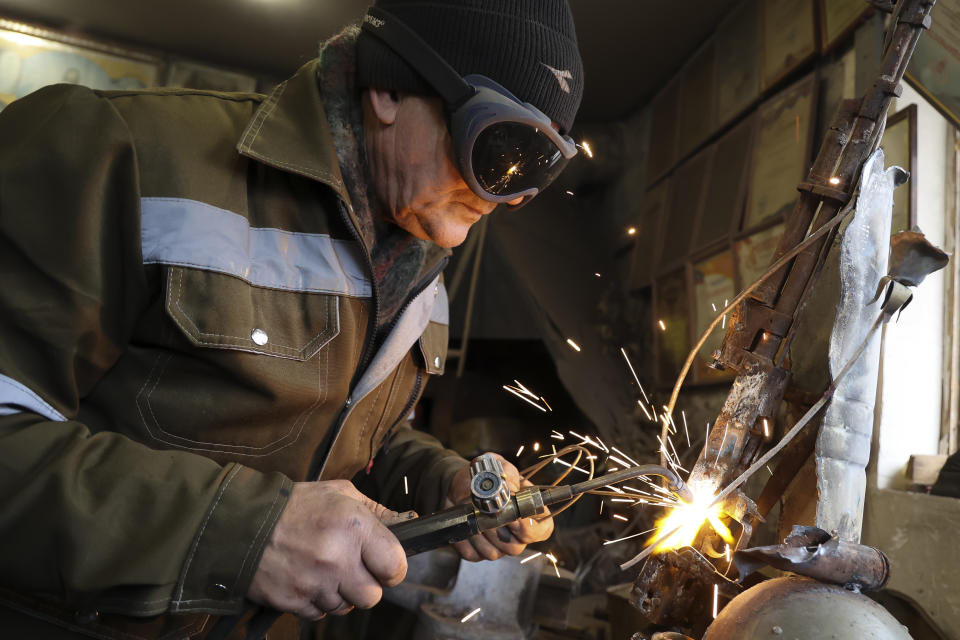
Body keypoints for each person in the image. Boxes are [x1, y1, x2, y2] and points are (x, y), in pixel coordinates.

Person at [0, 0, 584, 637]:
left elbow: (354, 438)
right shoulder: (118, 152)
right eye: (499, 150)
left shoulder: (422, 264)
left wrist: (444, 485)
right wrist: (243, 535)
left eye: (536, 172)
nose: (505, 196)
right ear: (391, 87)